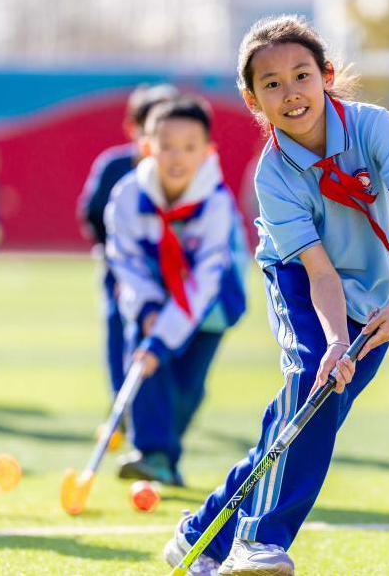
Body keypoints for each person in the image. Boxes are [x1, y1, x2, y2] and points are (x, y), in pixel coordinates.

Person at [161, 15, 389, 576]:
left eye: (302, 75)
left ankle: (199, 534)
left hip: (378, 295)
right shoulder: (273, 176)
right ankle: (256, 541)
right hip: (300, 281)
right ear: (252, 99)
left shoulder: (373, 126)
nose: (291, 93)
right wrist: (333, 341)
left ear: (326, 75)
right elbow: (320, 274)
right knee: (313, 385)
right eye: (272, 84)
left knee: (311, 418)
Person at [105, 95, 248, 486]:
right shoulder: (128, 195)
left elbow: (203, 284)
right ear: (146, 147)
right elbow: (125, 261)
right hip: (151, 297)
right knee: (144, 364)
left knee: (186, 388)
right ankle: (152, 454)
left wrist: (163, 338)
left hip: (211, 305)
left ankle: (165, 455)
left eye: (188, 147)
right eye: (166, 145)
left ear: (207, 151)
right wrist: (148, 308)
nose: (177, 157)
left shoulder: (216, 204)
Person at [78, 84, 178, 399]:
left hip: (170, 268)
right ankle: (120, 396)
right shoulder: (115, 167)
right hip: (118, 265)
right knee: (117, 323)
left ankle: (163, 401)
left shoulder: (183, 170)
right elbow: (92, 211)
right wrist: (116, 251)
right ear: (136, 128)